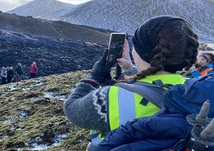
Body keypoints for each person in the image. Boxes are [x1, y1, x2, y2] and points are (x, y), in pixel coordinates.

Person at [63, 15, 199, 150]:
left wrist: (94, 77)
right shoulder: (196, 89)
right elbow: (156, 84)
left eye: (136, 46)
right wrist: (130, 69)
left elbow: (71, 110)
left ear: (141, 53)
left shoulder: (110, 97)